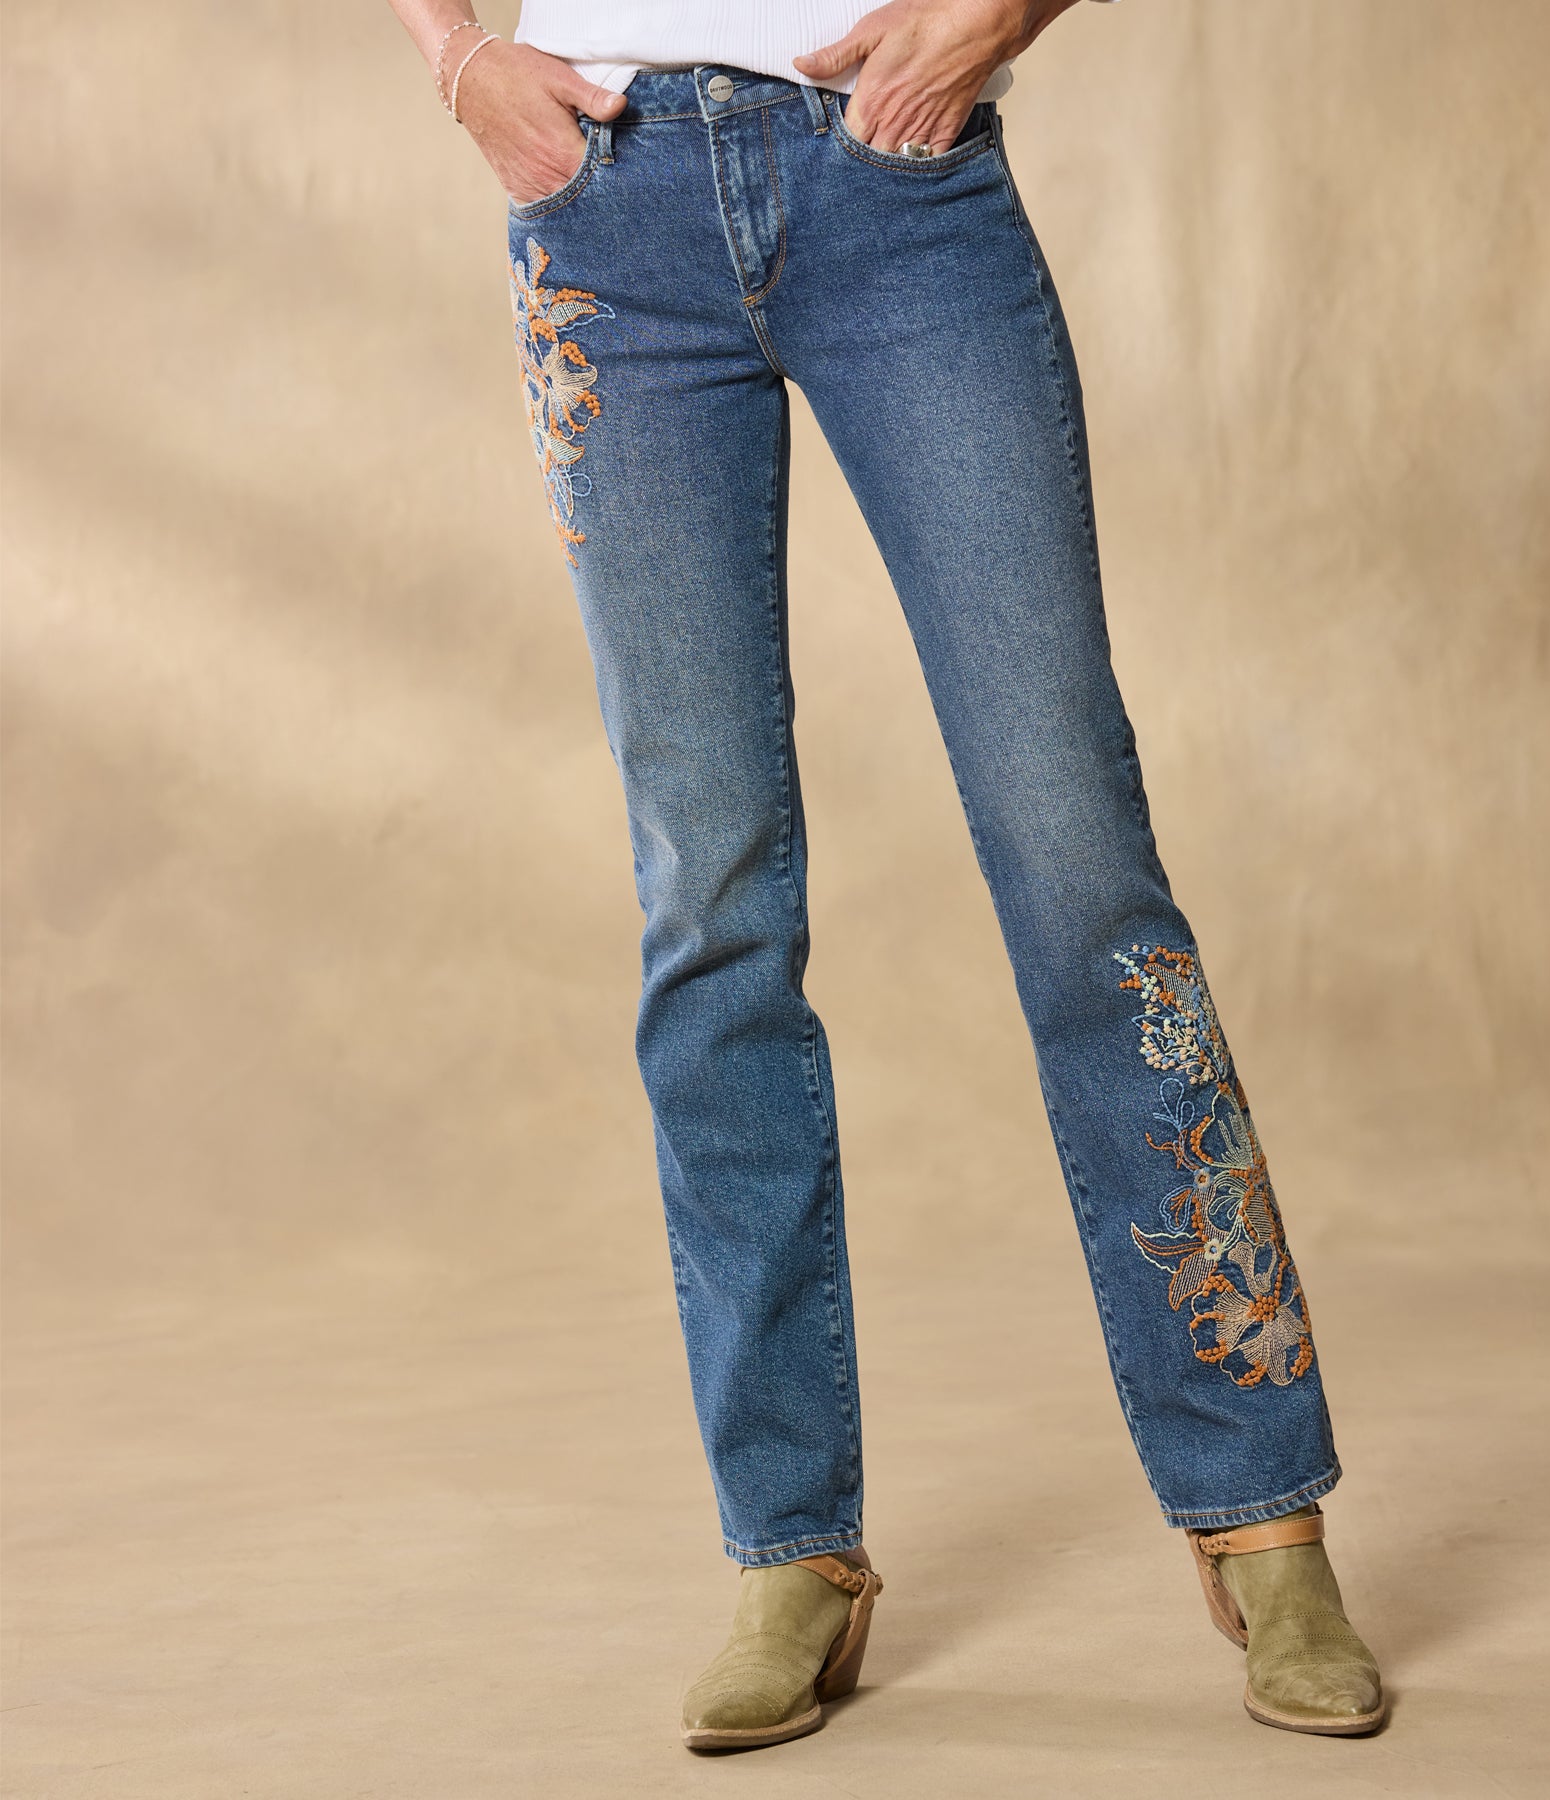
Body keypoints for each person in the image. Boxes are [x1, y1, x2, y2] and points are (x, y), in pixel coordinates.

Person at [384, 0, 1387, 1750]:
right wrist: (457, 62)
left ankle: (1263, 1514)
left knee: (1079, 861)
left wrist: (994, 16)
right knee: (708, 900)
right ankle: (791, 1547)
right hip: (603, 210)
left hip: (896, 191)